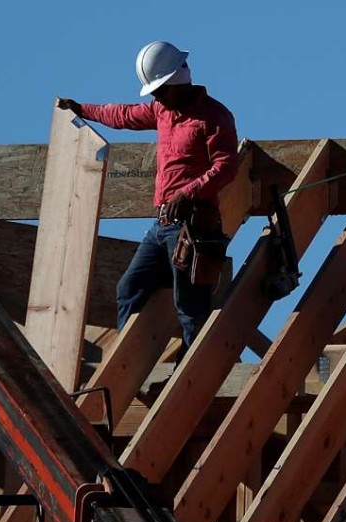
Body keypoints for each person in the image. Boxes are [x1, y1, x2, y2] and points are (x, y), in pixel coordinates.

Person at [58, 40, 239, 356]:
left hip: (194, 226)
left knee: (189, 306)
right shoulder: (162, 110)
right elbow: (124, 115)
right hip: (163, 226)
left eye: (159, 90)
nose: (155, 97)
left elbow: (226, 166)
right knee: (129, 289)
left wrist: (189, 192)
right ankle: (129, 363)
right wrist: (82, 109)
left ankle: (192, 373)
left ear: (178, 81)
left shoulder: (214, 116)